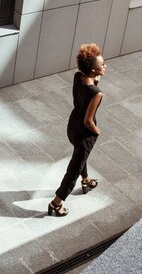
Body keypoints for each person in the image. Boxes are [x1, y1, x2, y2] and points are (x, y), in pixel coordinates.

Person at [48, 43, 106, 217]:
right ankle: (56, 204)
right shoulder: (97, 93)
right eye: (102, 65)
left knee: (80, 157)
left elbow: (89, 84)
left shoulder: (77, 77)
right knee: (73, 169)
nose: (105, 66)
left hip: (72, 126)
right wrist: (97, 131)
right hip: (85, 133)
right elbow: (89, 121)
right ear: (94, 70)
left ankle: (86, 181)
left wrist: (96, 77)